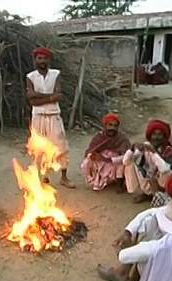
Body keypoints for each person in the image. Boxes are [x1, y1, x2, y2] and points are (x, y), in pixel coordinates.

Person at [26, 47, 75, 189]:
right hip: (38, 117)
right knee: (38, 148)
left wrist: (38, 95)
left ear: (49, 60)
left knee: (61, 147)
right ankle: (43, 178)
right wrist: (50, 97)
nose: (42, 61)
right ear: (35, 60)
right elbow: (31, 99)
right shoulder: (31, 76)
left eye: (44, 58)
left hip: (54, 115)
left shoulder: (56, 74)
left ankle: (64, 178)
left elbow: (58, 97)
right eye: (39, 58)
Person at [111, 119, 172, 203]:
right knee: (132, 164)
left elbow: (165, 170)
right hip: (152, 177)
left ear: (164, 137)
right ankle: (147, 193)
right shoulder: (146, 146)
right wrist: (132, 148)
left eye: (160, 134)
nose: (156, 137)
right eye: (154, 134)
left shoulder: (170, 151)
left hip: (168, 183)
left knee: (164, 173)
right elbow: (125, 162)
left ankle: (159, 195)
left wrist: (154, 152)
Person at [80, 113, 131, 192]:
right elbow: (90, 150)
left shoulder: (122, 138)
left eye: (115, 126)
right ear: (105, 126)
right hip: (100, 162)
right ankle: (97, 180)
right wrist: (94, 155)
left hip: (114, 163)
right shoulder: (99, 136)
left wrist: (109, 159)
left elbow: (127, 155)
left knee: (125, 162)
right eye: (110, 125)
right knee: (87, 161)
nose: (112, 128)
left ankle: (119, 183)